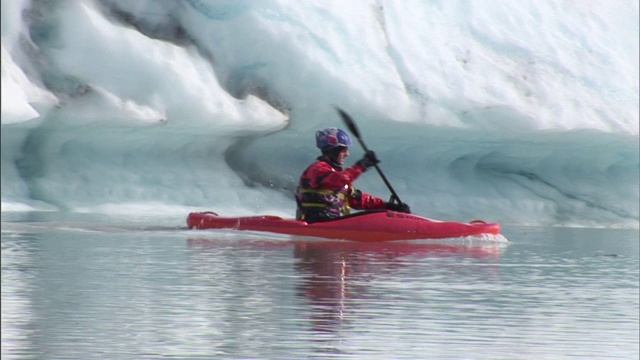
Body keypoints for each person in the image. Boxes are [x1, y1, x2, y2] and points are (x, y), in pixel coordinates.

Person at [296, 127, 411, 222]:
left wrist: (389, 206)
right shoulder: (316, 169)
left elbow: (359, 200)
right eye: (343, 150)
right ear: (332, 150)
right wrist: (361, 166)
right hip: (314, 222)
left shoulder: (337, 177)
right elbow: (337, 180)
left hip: (333, 223)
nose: (347, 154)